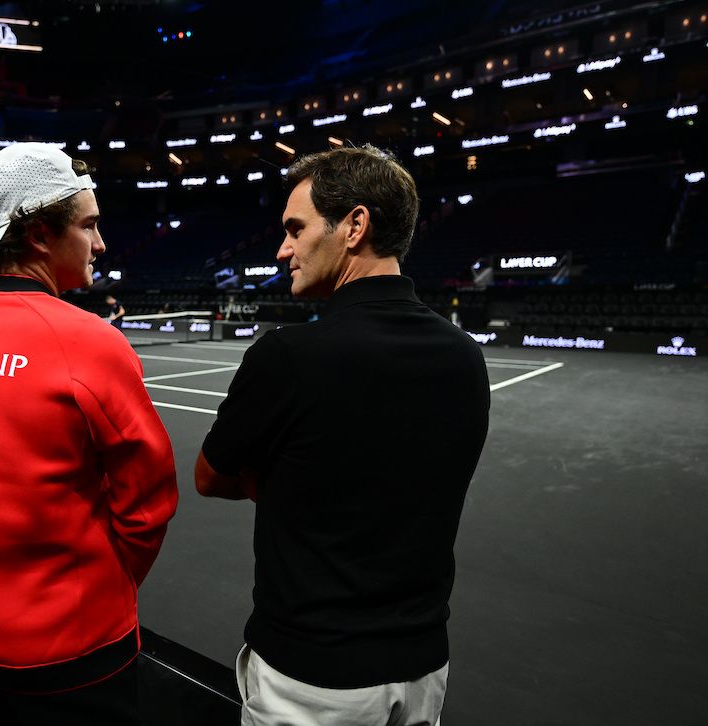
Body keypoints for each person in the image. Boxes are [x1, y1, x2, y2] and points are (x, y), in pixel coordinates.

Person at [194, 145, 490, 726]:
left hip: (313, 680)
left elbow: (209, 476)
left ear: (355, 225)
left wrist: (284, 485)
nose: (283, 249)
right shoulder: (465, 357)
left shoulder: (288, 355)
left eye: (295, 228)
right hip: (424, 671)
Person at [0, 142, 178, 726]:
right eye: (90, 225)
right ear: (42, 234)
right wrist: (108, 580)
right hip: (72, 652)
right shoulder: (89, 342)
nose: (101, 244)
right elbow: (148, 501)